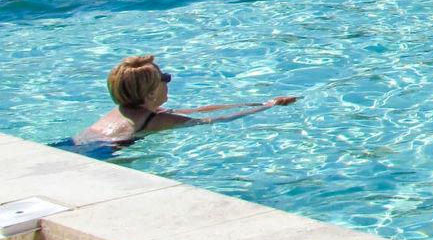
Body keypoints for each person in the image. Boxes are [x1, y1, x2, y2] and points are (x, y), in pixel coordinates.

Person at [74, 55, 297, 148]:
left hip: (77, 143)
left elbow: (199, 110)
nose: (168, 82)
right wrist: (269, 107)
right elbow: (214, 120)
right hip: (104, 152)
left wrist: (258, 102)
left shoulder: (127, 110)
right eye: (165, 78)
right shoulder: (157, 119)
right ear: (150, 94)